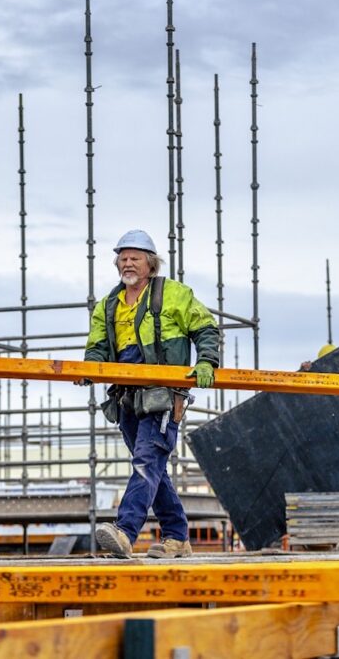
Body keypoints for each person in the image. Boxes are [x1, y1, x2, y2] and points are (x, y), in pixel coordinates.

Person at [83, 230, 220, 558]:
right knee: (150, 464)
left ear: (151, 264)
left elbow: (205, 328)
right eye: (123, 258)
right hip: (126, 394)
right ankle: (176, 536)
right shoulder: (109, 304)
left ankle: (125, 531)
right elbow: (98, 346)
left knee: (148, 458)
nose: (128, 263)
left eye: (135, 258)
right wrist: (89, 368)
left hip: (162, 391)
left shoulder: (173, 294)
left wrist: (206, 360)